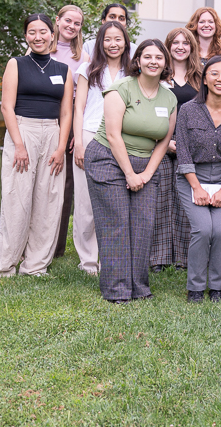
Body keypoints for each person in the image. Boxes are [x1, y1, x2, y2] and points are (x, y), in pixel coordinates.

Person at [84, 39, 177, 302]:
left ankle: (138, 287)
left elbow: (163, 142)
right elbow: (113, 135)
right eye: (147, 56)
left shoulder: (169, 98)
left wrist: (146, 174)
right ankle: (117, 289)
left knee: (142, 225)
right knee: (116, 223)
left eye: (159, 57)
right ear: (137, 61)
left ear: (165, 63)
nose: (153, 62)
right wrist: (129, 174)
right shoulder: (121, 88)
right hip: (108, 159)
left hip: (145, 165)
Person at [0, 14, 74, 277]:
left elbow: (67, 112)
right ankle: (3, 266)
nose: (38, 37)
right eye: (32, 32)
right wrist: (19, 145)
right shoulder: (16, 64)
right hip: (23, 130)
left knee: (49, 200)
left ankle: (35, 265)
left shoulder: (64, 70)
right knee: (17, 199)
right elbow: (6, 107)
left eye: (43, 32)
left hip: (53, 134)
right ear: (26, 35)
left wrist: (60, 148)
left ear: (52, 35)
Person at [175, 55, 221, 303]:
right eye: (214, 73)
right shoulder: (188, 110)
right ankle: (196, 287)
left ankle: (217, 286)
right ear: (204, 79)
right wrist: (196, 187)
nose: (220, 78)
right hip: (191, 177)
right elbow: (183, 151)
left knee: (220, 232)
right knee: (203, 229)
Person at [72, 21, 131, 275]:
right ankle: (87, 262)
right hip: (90, 134)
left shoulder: (134, 71)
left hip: (123, 138)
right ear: (100, 42)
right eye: (107, 39)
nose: (113, 44)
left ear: (126, 42)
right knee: (85, 203)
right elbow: (79, 108)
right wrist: (78, 142)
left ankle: (111, 257)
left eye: (118, 39)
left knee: (114, 203)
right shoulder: (88, 69)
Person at [150, 27, 203, 273]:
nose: (180, 47)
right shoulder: (158, 75)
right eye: (175, 43)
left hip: (192, 145)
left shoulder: (199, 77)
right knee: (160, 199)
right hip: (160, 142)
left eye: (185, 43)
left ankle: (183, 258)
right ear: (167, 46)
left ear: (192, 47)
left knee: (186, 202)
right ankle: (159, 258)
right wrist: (165, 140)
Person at [50, 5, 86, 260]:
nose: (71, 26)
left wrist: (76, 132)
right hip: (43, 113)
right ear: (57, 20)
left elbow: (83, 99)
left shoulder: (83, 57)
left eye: (77, 23)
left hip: (70, 117)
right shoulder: (39, 48)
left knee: (65, 184)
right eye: (68, 21)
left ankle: (56, 247)